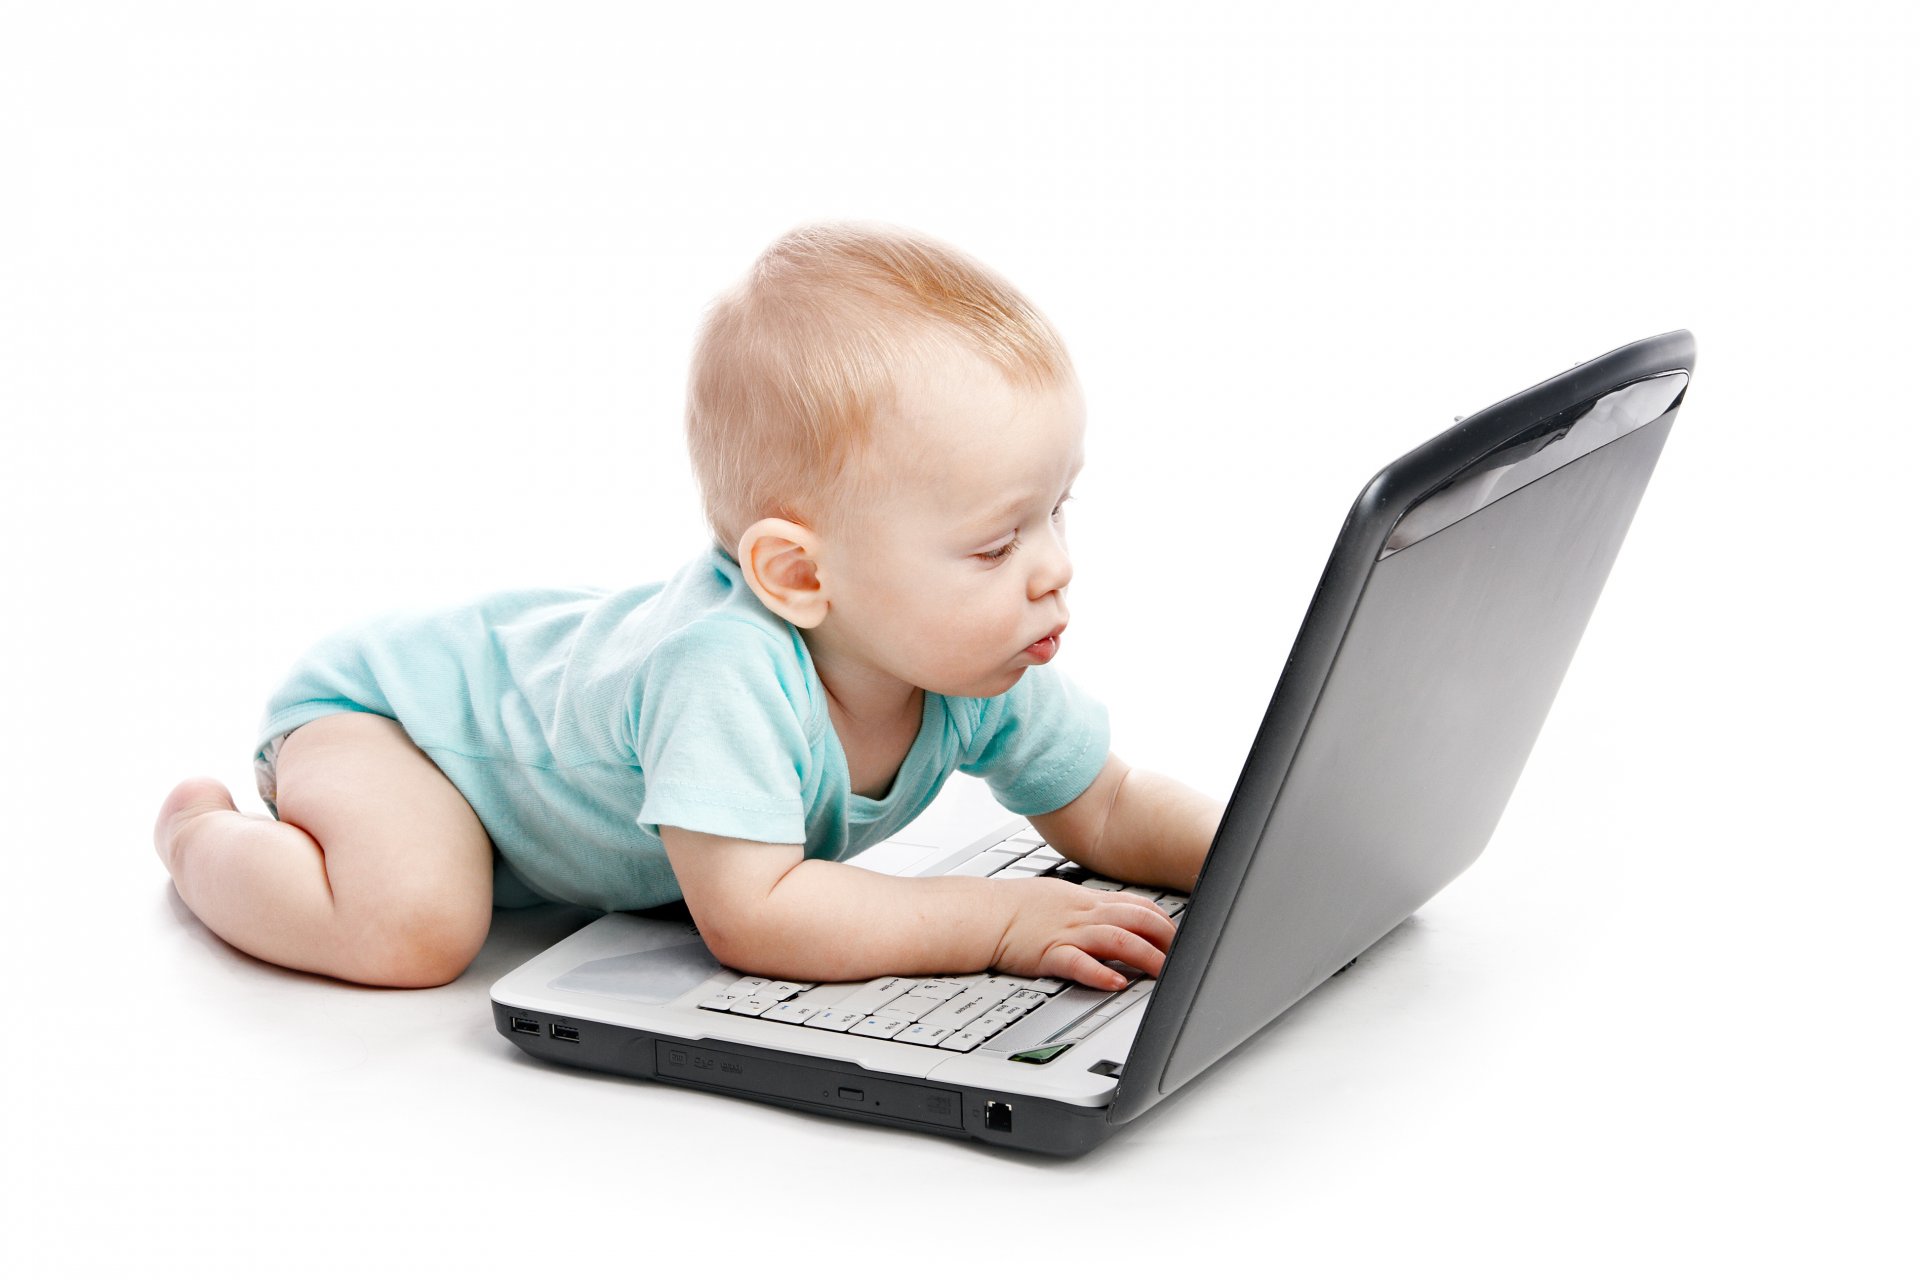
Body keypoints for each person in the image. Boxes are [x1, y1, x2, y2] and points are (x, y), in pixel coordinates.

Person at [153, 222, 1224, 991]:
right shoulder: (726, 667)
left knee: (441, 906)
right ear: (799, 576)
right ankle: (202, 834)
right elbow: (759, 913)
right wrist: (997, 922)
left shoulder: (975, 659)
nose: (1052, 570)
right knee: (418, 928)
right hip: (394, 722)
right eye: (996, 544)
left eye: (1055, 513)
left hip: (503, 715)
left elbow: (1108, 805)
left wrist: (1254, 854)